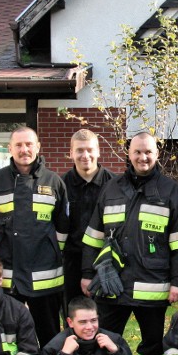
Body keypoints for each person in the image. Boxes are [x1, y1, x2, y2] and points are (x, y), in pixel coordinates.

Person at [81, 132, 178, 355]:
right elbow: (94, 235)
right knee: (105, 341)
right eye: (138, 152)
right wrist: (86, 273)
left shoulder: (171, 191)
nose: (143, 157)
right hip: (112, 285)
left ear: (157, 155)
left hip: (152, 288)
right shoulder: (112, 188)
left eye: (148, 152)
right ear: (129, 154)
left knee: (152, 348)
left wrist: (177, 282)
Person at [0, 126, 71, 347]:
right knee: (7, 335)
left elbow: (63, 227)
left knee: (49, 334)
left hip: (46, 277)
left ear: (38, 147)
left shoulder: (54, 182)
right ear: (10, 148)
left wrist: (50, 253)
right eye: (19, 145)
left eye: (29, 144)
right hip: (9, 277)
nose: (24, 150)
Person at [62, 129, 115, 308]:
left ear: (98, 151)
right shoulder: (61, 186)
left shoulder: (114, 185)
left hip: (106, 261)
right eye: (79, 150)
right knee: (73, 316)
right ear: (71, 153)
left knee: (104, 318)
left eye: (90, 150)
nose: (85, 155)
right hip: (71, 263)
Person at [38, 296, 137, 355]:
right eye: (83, 322)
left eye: (93, 320)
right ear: (70, 322)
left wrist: (116, 352)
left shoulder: (114, 341)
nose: (89, 327)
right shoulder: (54, 347)